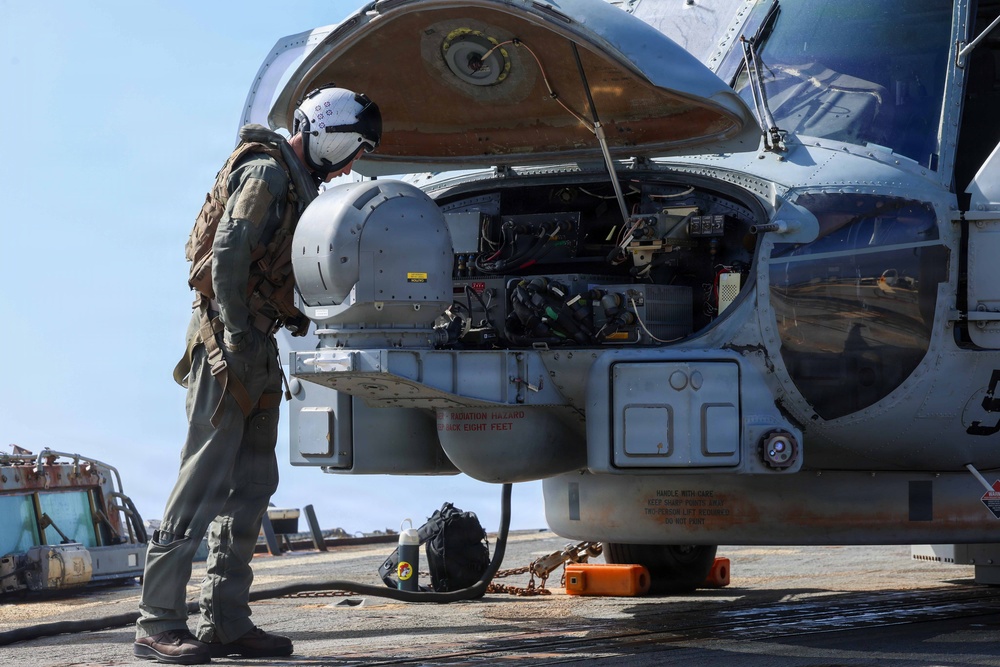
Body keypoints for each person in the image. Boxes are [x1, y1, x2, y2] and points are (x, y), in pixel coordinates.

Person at [134, 86, 382, 665]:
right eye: (353, 146)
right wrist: (240, 332)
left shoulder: (298, 184)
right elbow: (228, 250)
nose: (354, 161)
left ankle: (225, 620)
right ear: (328, 132)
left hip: (256, 341)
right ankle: (158, 620)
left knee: (251, 485)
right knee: (201, 483)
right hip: (227, 344)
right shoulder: (268, 174)